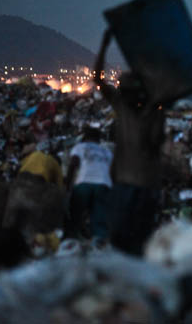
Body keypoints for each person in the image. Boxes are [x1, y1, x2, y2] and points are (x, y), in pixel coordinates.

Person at [93, 28, 165, 255]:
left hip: (134, 184)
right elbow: (98, 79)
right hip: (140, 184)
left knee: (126, 239)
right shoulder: (148, 110)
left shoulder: (129, 108)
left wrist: (104, 46)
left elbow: (98, 79)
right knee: (136, 239)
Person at [66, 127, 113, 239]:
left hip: (84, 183)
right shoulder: (107, 151)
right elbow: (113, 171)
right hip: (104, 184)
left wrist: (68, 185)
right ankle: (98, 243)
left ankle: (73, 241)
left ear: (85, 137)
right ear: (98, 139)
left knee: (75, 215)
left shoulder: (80, 147)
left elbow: (73, 164)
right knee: (99, 219)